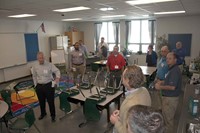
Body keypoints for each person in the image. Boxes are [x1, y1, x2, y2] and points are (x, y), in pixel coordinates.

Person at [110, 65, 151, 133]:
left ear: (128, 80)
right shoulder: (144, 90)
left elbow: (127, 131)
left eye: (123, 76)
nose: (121, 78)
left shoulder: (130, 104)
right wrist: (122, 112)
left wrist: (116, 122)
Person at [155, 52, 182, 133]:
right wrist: (162, 82)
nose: (167, 60)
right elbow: (169, 81)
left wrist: (160, 87)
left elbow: (172, 87)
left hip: (170, 99)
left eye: (170, 58)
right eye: (167, 58)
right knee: (166, 118)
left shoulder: (175, 71)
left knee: (168, 121)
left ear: (175, 60)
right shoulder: (171, 69)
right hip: (168, 98)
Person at [32, 52, 60, 122]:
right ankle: (43, 113)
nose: (40, 59)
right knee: (41, 102)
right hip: (39, 86)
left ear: (44, 57)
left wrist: (57, 78)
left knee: (51, 102)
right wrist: (36, 85)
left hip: (48, 86)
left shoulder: (49, 64)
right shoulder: (35, 66)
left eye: (42, 58)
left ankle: (53, 115)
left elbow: (57, 71)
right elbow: (34, 76)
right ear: (37, 58)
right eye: (39, 58)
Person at [151, 46, 169, 110]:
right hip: (158, 79)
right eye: (162, 51)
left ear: (168, 52)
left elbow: (169, 73)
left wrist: (164, 81)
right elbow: (158, 69)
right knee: (158, 95)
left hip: (164, 81)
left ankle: (164, 109)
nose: (163, 53)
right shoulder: (161, 59)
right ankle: (160, 108)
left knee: (164, 96)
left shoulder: (168, 61)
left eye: (164, 51)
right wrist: (156, 78)